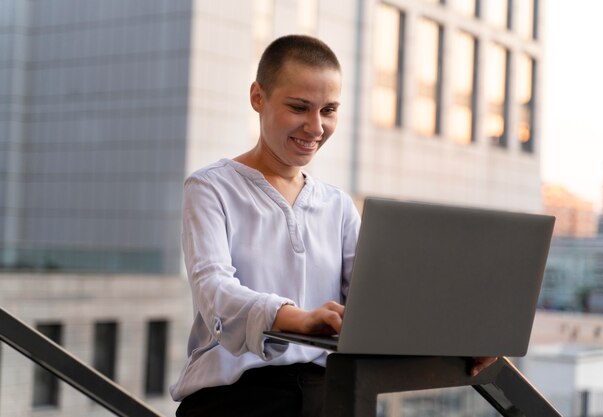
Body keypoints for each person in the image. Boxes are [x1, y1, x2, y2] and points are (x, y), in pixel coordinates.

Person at [170, 34, 496, 417]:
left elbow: (382, 298)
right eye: (299, 107)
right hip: (235, 400)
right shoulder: (211, 186)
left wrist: (463, 335)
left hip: (329, 396)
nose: (315, 127)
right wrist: (297, 319)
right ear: (258, 97)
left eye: (328, 110)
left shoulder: (337, 204)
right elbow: (215, 292)